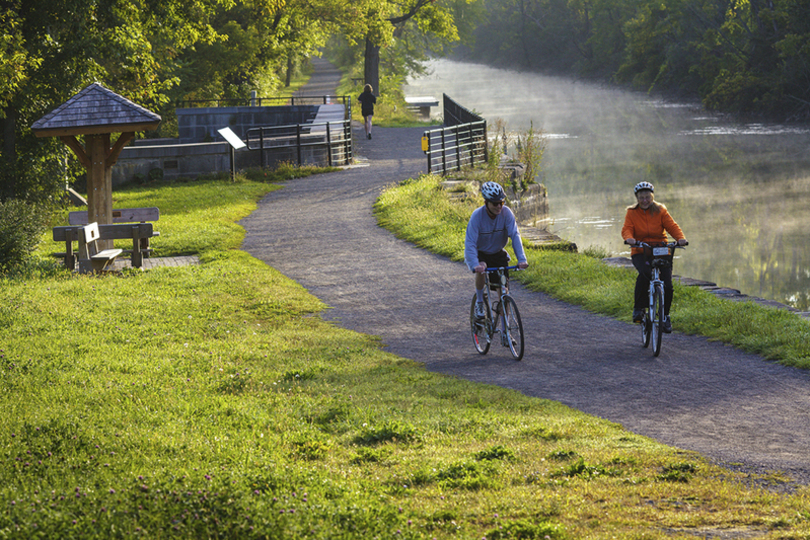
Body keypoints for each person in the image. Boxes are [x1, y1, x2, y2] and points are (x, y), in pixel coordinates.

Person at [621, 181, 687, 333]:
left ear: (652, 197)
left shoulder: (661, 210)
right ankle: (639, 309)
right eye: (641, 198)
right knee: (644, 273)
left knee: (668, 286)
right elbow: (627, 229)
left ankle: (665, 317)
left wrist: (680, 238)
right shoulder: (631, 213)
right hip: (641, 250)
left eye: (647, 197)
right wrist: (629, 238)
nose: (645, 201)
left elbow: (672, 226)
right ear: (637, 198)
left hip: (661, 249)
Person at [465, 181, 529, 319]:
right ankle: (480, 302)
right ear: (486, 203)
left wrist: (522, 259)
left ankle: (505, 332)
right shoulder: (477, 216)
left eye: (502, 202)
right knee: (482, 268)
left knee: (504, 290)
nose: (499, 206)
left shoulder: (506, 214)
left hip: (498, 252)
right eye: (495, 203)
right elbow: (470, 243)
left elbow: (515, 235)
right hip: (481, 252)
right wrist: (475, 264)